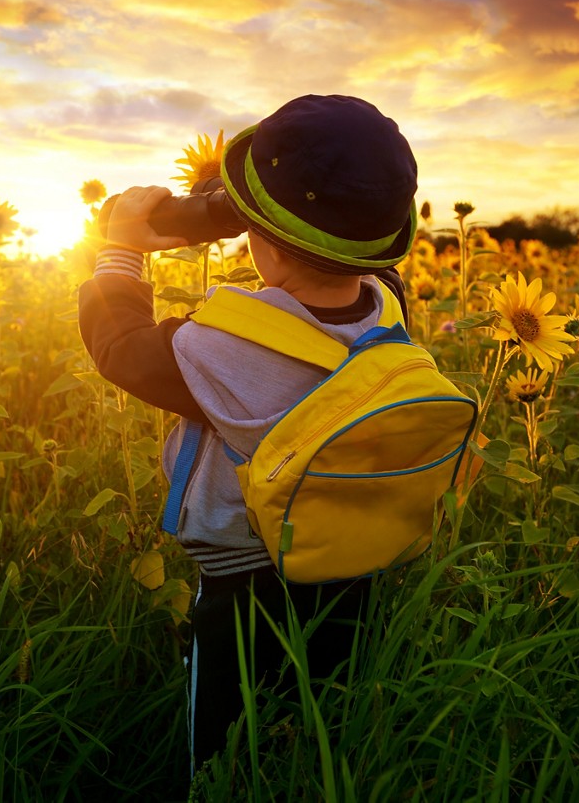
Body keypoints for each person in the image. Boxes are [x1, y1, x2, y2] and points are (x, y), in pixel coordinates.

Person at [77, 93, 420, 774]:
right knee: (326, 700)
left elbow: (120, 348)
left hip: (245, 577)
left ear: (266, 243)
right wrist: (250, 210)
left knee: (225, 732)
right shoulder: (387, 306)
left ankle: (219, 784)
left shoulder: (227, 348)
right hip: (354, 555)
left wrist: (120, 248)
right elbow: (355, 253)